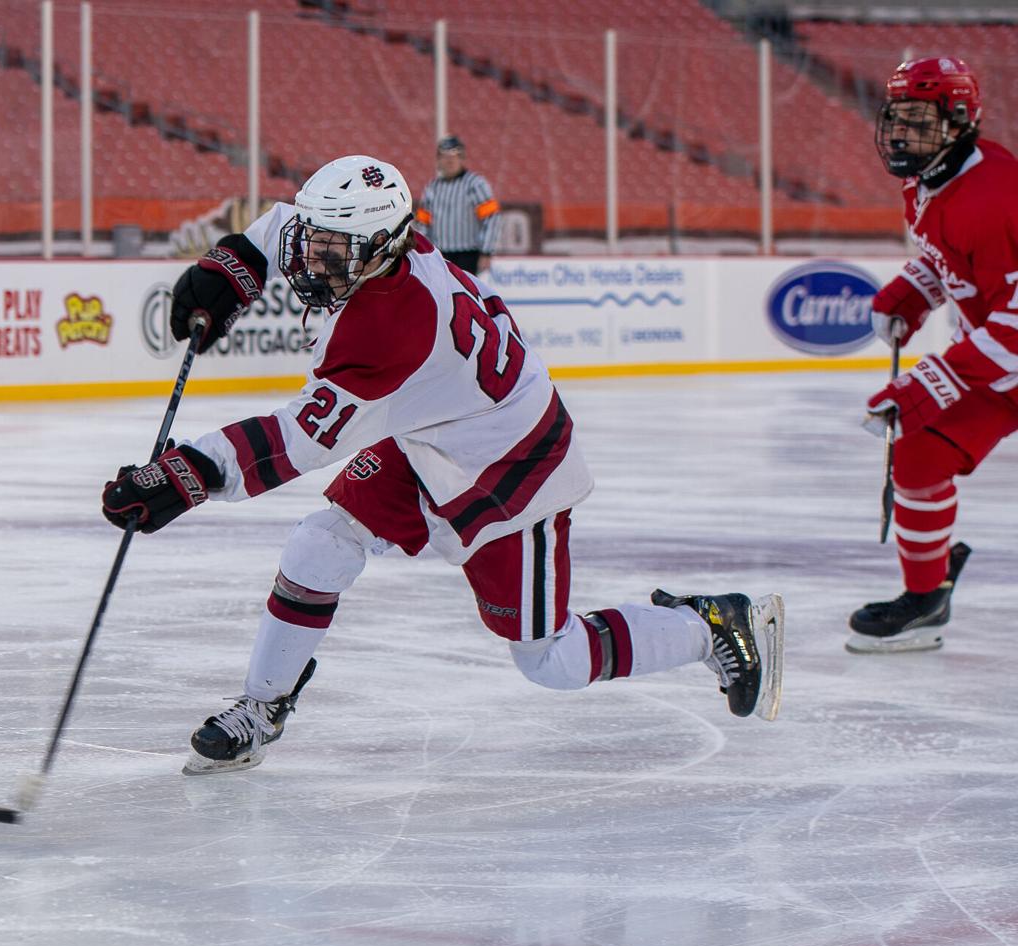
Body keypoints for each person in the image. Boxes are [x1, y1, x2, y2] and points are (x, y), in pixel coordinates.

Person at [101, 155, 784, 775]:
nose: (312, 258)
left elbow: (294, 442)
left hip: (510, 468)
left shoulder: (389, 331)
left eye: (333, 248)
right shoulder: (380, 244)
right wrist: (229, 272)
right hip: (428, 432)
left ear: (380, 246)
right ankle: (263, 706)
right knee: (322, 541)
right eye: (316, 241)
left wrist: (181, 476)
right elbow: (287, 222)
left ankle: (709, 625)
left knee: (550, 658)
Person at [849, 56, 1018, 653]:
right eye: (897, 118)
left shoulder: (998, 196)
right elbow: (949, 259)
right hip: (1001, 365)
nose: (901, 133)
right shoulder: (927, 180)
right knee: (919, 455)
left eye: (919, 120)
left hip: (1004, 353)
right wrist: (912, 293)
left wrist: (936, 379)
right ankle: (926, 599)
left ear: (959, 121)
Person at [414, 136, 500, 275]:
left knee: (464, 295)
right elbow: (423, 223)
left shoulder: (475, 184)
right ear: (438, 160)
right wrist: (423, 252)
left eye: (455, 156)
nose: (450, 160)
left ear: (461, 158)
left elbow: (491, 218)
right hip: (439, 255)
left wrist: (486, 251)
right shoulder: (432, 187)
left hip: (468, 254)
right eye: (445, 156)